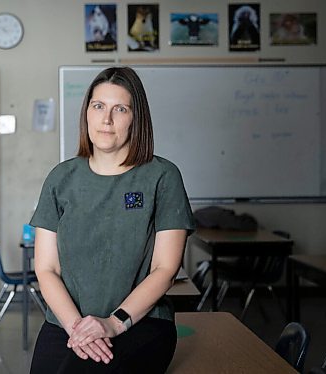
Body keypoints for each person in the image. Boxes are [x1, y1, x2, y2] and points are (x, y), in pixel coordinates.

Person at [29, 66, 195, 373]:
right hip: (66, 322)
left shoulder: (162, 176)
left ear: (136, 118)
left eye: (120, 109)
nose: (106, 119)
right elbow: (46, 268)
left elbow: (165, 269)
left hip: (139, 322)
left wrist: (112, 324)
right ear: (87, 114)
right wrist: (77, 327)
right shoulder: (60, 178)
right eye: (98, 106)